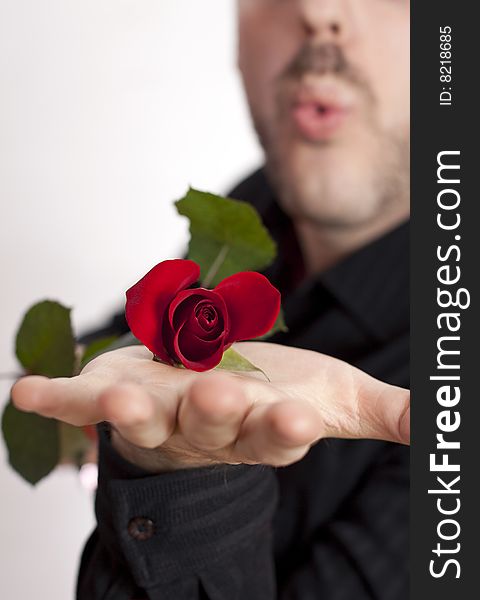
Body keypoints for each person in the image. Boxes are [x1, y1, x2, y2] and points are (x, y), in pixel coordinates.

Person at [12, 1, 410, 598]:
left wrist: (181, 480)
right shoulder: (254, 213)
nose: (319, 11)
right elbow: (135, 344)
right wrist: (89, 394)